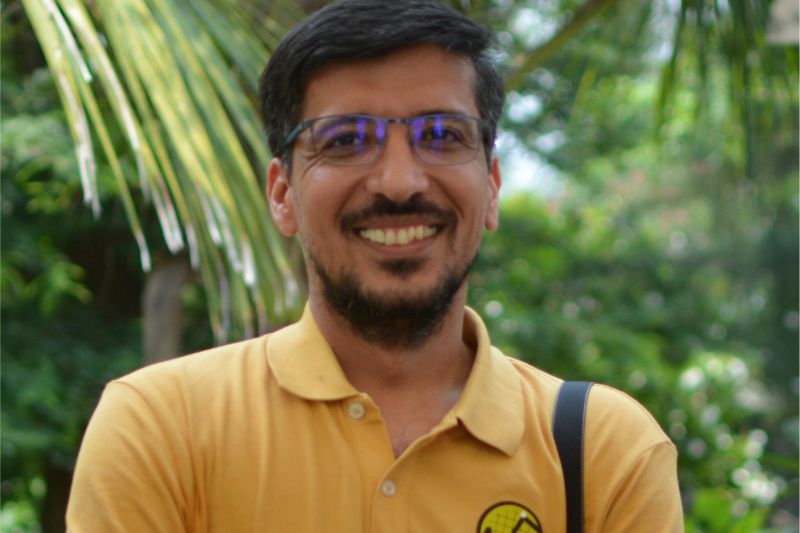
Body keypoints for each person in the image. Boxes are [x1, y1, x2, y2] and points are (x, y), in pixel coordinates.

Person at [66, 1, 683, 531]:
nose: (399, 181)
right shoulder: (160, 428)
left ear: (492, 187)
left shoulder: (603, 453)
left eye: (441, 136)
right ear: (283, 194)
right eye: (345, 140)